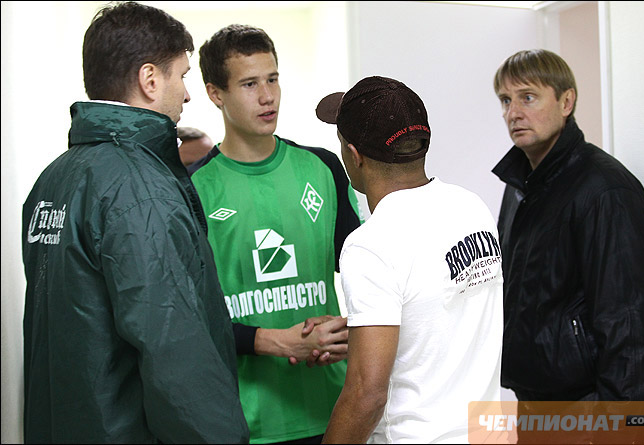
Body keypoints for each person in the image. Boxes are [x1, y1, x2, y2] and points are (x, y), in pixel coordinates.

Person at [21, 3, 249, 443]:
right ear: (150, 80)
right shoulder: (139, 190)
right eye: (181, 76)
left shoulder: (53, 180)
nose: (187, 94)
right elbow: (173, 350)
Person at [190, 24, 363, 443]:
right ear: (216, 93)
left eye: (273, 79)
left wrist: (347, 330)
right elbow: (191, 316)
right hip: (245, 421)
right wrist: (279, 342)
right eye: (249, 84)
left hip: (331, 410)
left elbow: (367, 277)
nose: (267, 96)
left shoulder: (323, 168)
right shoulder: (193, 189)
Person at [315, 76, 504, 443]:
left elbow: (366, 395)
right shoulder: (472, 208)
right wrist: (361, 329)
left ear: (353, 155)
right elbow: (438, 318)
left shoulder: (370, 245)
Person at [491, 49, 644, 401]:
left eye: (528, 97)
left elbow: (630, 322)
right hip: (533, 397)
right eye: (506, 100)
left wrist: (618, 423)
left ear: (566, 101)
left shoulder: (605, 189)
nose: (514, 113)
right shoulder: (520, 186)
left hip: (588, 405)